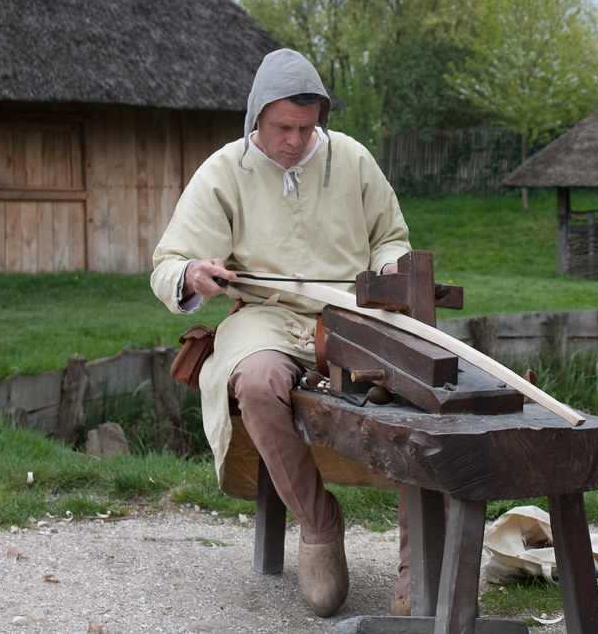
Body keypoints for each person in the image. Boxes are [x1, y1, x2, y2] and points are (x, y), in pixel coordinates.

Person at [150, 49, 413, 618]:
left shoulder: (353, 159)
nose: (295, 140)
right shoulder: (224, 170)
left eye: (306, 126)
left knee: (421, 388)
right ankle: (319, 525)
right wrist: (193, 273)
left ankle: (416, 574)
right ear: (255, 119)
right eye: (282, 128)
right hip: (265, 315)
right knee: (256, 379)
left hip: (351, 313)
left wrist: (392, 266)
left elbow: (391, 236)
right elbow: (167, 263)